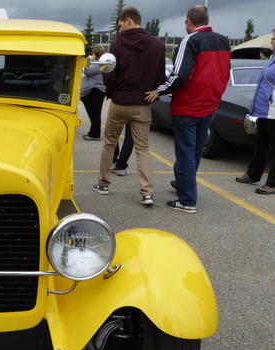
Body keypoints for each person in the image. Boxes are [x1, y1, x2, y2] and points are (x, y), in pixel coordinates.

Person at [145, 5, 230, 213]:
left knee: (184, 153)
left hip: (188, 106)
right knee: (195, 151)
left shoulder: (190, 40)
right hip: (210, 105)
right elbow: (224, 72)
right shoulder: (223, 41)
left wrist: (160, 90)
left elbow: (179, 74)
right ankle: (185, 184)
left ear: (189, 22)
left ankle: (187, 200)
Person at [92, 6, 165, 206]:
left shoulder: (119, 43)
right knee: (142, 149)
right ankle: (147, 192)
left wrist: (111, 91)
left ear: (129, 20)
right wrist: (157, 92)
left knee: (109, 143)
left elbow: (110, 72)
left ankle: (104, 184)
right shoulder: (158, 45)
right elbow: (161, 76)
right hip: (142, 104)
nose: (119, 28)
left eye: (120, 24)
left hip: (120, 103)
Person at [235, 29, 275, 195]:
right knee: (261, 144)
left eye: (274, 38)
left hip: (274, 111)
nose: (272, 41)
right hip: (264, 111)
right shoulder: (272, 60)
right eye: (273, 38)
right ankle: (253, 174)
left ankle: (272, 183)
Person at [81, 45, 107, 141]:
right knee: (95, 114)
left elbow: (87, 71)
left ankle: (95, 135)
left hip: (95, 91)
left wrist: (87, 62)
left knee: (94, 114)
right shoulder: (102, 62)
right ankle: (92, 132)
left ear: (95, 53)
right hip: (97, 90)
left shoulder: (99, 63)